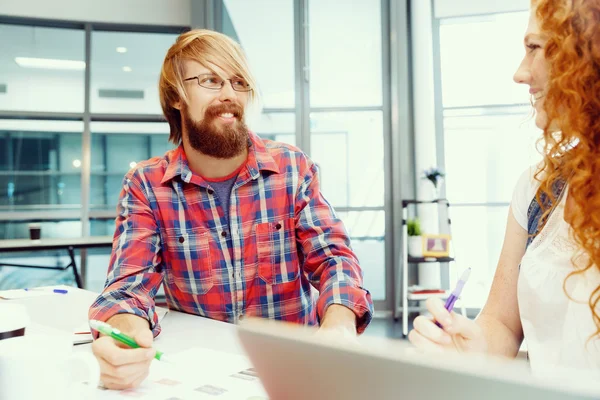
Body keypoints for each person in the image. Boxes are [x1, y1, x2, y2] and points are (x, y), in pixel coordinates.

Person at [88, 29, 373, 390]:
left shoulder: (291, 167)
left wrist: (339, 327)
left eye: (238, 82)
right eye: (210, 80)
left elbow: (335, 259)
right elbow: (127, 287)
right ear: (177, 96)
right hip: (198, 380)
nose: (229, 95)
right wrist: (125, 337)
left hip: (291, 374)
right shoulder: (147, 184)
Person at [409, 0, 600, 375]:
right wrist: (469, 348)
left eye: (534, 48)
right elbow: (500, 323)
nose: (519, 73)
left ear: (587, 53)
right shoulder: (538, 190)